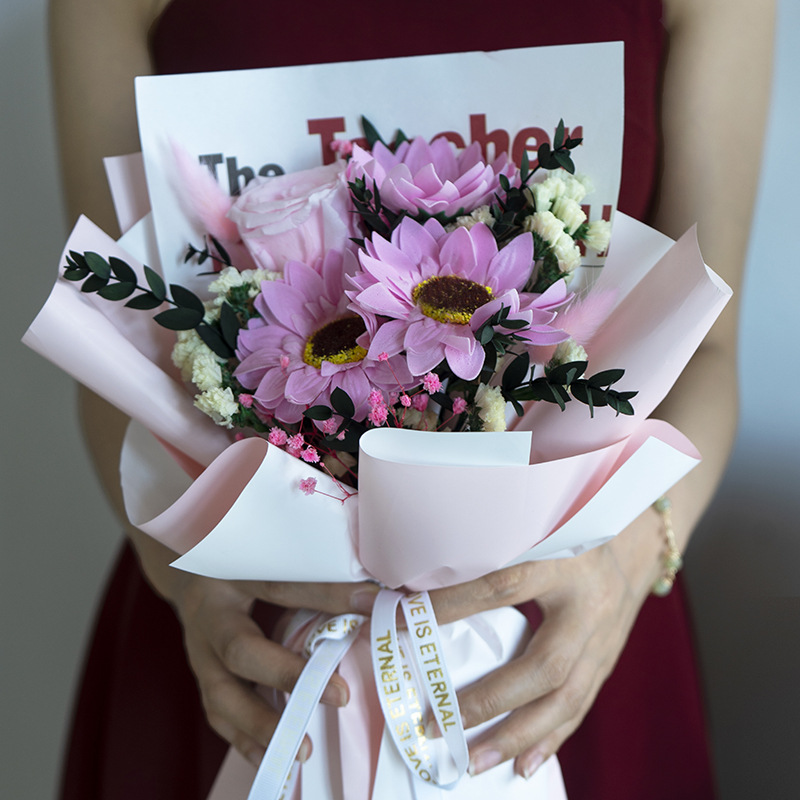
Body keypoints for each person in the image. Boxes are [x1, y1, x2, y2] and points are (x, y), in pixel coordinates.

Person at [49, 0, 775, 797]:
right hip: (243, 637)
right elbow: (118, 341)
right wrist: (188, 581)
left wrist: (634, 554)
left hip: (570, 626)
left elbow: (709, 347)